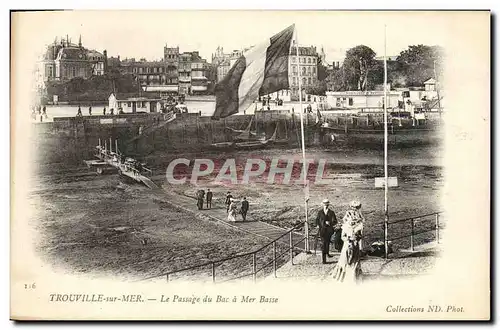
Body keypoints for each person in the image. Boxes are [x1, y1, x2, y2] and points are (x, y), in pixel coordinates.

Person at [333, 200, 364, 284]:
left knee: (355, 260)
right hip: (347, 245)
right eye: (353, 207)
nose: (354, 209)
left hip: (355, 245)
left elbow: (361, 236)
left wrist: (357, 237)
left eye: (356, 208)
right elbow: (342, 237)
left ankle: (355, 277)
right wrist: (348, 239)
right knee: (346, 260)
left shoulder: (358, 227)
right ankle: (344, 277)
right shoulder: (346, 227)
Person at [315, 199, 337, 264]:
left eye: (326, 204)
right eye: (324, 204)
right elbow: (317, 220)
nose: (325, 205)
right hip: (322, 230)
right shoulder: (320, 212)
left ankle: (327, 253)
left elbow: (335, 221)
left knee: (327, 242)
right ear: (322, 204)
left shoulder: (331, 212)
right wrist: (317, 225)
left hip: (329, 231)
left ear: (328, 204)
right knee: (323, 244)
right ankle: (324, 260)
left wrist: (330, 222)